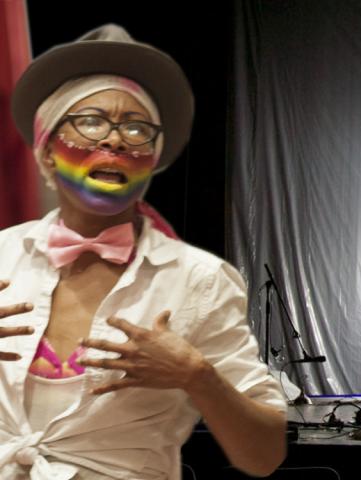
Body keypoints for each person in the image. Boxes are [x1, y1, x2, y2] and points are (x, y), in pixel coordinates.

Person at [0, 24, 287, 479]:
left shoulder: (199, 280)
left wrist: (198, 376)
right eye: (91, 121)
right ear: (48, 149)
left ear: (153, 158)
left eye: (136, 129)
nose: (115, 140)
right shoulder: (2, 256)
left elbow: (264, 455)